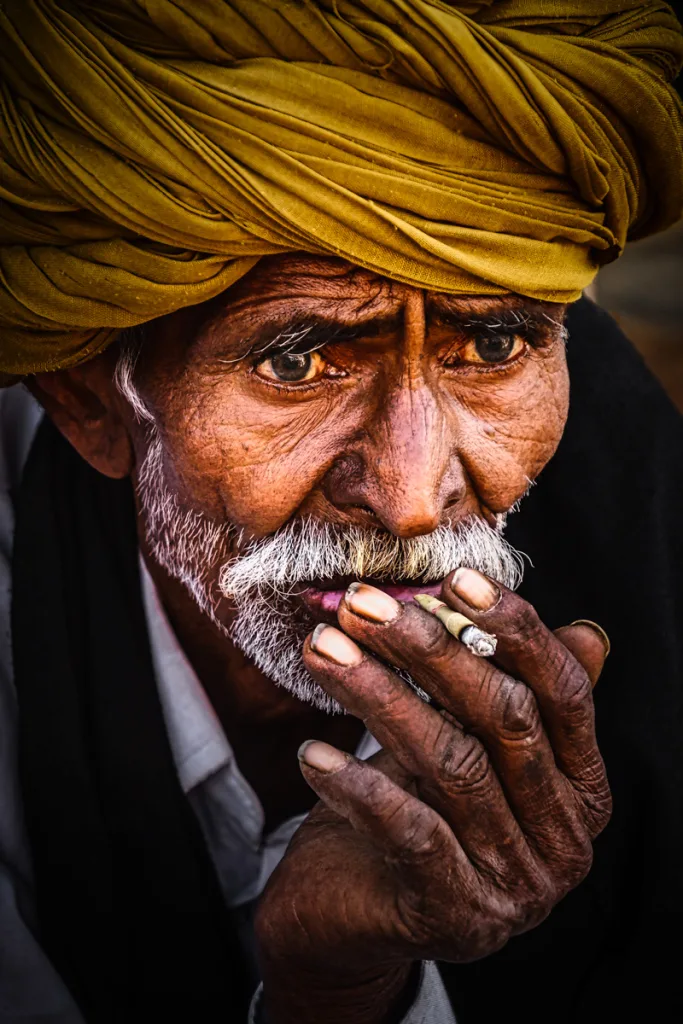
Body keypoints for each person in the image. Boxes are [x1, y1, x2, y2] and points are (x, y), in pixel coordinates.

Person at [0, 3, 682, 1023]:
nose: (411, 504)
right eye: (299, 360)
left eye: (491, 347)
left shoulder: (645, 526)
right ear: (93, 399)